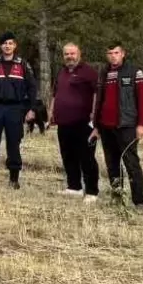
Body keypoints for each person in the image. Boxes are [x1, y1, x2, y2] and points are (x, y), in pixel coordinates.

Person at [90, 40, 143, 212]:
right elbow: (99, 102)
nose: (113, 56)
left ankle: (140, 201)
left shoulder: (134, 72)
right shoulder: (104, 73)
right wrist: (96, 125)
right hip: (106, 126)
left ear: (123, 53)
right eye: (109, 53)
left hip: (126, 125)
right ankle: (117, 197)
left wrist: (141, 124)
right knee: (112, 164)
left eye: (116, 53)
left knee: (131, 163)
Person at [0, 31, 39, 189]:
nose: (7, 46)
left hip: (15, 108)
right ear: (0, 46)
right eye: (4, 43)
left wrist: (32, 109)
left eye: (10, 43)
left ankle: (14, 179)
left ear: (15, 46)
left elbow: (32, 88)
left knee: (13, 143)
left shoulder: (23, 64)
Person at [50, 42, 100, 203]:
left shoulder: (89, 72)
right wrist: (52, 112)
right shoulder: (62, 72)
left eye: (72, 53)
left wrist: (94, 116)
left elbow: (97, 94)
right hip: (64, 122)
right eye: (66, 54)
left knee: (87, 157)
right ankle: (74, 187)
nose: (69, 57)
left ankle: (92, 191)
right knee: (68, 156)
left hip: (83, 123)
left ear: (79, 54)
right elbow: (55, 94)